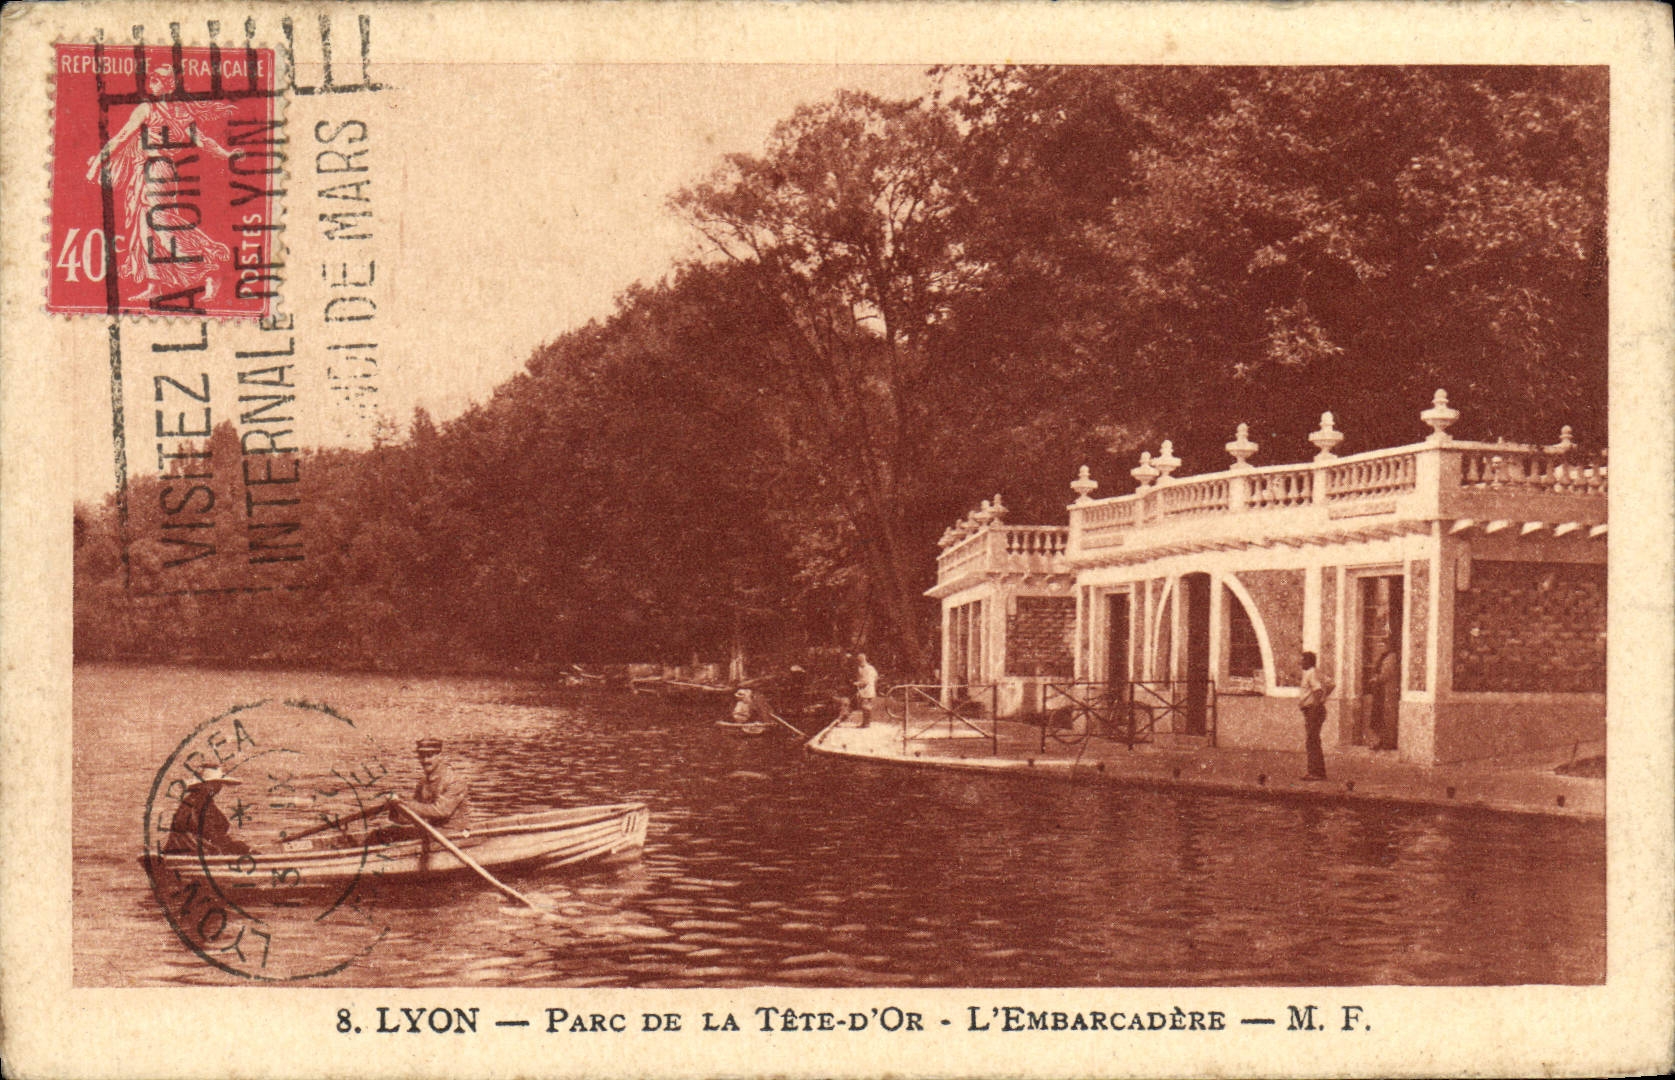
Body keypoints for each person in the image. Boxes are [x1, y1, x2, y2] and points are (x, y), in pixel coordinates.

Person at [375, 737, 472, 843]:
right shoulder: (423, 782)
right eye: (422, 756)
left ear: (440, 756)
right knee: (382, 833)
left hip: (454, 834)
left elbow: (441, 811)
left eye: (430, 756)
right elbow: (414, 815)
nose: (425, 761)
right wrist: (396, 809)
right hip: (431, 831)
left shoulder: (455, 781)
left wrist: (406, 804)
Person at [163, 766, 251, 856]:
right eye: (214, 784)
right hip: (191, 848)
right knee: (239, 848)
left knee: (240, 847)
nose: (217, 788)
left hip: (194, 846)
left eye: (219, 784)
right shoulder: (197, 803)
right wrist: (229, 845)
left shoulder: (202, 801)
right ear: (202, 785)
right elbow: (207, 832)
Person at [1298, 651, 1334, 780]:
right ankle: (1317, 771)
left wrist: (1316, 705)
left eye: (1303, 660)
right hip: (1315, 709)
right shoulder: (1317, 672)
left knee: (1312, 741)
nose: (1300, 662)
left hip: (1313, 710)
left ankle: (1315, 772)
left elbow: (1317, 690)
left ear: (1308, 661)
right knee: (1314, 740)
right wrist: (1324, 698)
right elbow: (1331, 684)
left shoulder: (1310, 674)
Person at [1372, 646, 1400, 751]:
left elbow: (1385, 675)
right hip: (1382, 692)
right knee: (1382, 717)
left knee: (1388, 717)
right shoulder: (1385, 657)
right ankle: (1383, 741)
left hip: (1387, 692)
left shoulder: (1391, 657)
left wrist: (1376, 678)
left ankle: (1389, 741)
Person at [853, 653, 879, 728]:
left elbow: (865, 681)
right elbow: (876, 677)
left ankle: (866, 723)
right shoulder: (871, 668)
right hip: (868, 689)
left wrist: (857, 683)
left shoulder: (867, 668)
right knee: (866, 707)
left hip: (866, 690)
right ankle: (866, 723)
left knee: (866, 707)